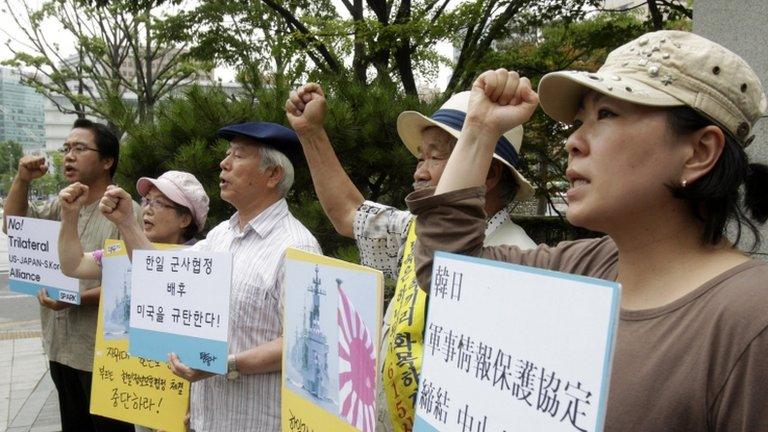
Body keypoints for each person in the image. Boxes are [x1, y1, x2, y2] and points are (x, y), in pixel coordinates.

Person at [407, 30, 768, 431]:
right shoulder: (585, 267)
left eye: (607, 114)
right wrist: (478, 129)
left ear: (699, 152)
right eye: (579, 121)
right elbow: (448, 273)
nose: (573, 142)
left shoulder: (751, 320)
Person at [286, 84, 537, 431]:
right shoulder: (415, 231)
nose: (419, 172)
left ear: (489, 173)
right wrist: (311, 132)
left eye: (436, 157)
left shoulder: (523, 263)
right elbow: (349, 214)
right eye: (421, 157)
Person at [98, 122, 321, 432]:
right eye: (227, 153)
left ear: (273, 175)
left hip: (259, 422)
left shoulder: (297, 246)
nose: (224, 162)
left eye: (239, 156)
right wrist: (126, 222)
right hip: (209, 419)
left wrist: (225, 363)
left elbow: (302, 343)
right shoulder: (221, 235)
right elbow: (158, 271)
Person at [2, 118, 141, 432]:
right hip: (60, 346)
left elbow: (132, 289)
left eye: (80, 148)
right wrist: (22, 180)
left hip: (102, 355)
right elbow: (13, 226)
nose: (68, 156)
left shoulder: (123, 211)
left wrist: (75, 299)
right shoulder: (63, 204)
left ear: (107, 160)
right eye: (66, 148)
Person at [58, 170, 209, 279]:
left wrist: (126, 222)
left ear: (185, 219)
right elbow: (74, 265)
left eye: (159, 203)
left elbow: (158, 279)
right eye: (147, 200)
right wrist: (69, 215)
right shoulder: (124, 251)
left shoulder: (200, 261)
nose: (147, 209)